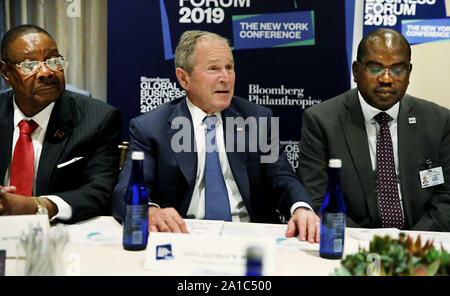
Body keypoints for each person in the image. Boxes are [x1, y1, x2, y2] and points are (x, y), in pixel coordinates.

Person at [112, 30, 320, 243]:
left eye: (229, 68)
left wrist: (301, 208)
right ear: (184, 78)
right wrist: (150, 211)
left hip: (250, 237)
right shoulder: (150, 128)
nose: (225, 78)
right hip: (183, 237)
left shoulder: (258, 118)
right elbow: (127, 190)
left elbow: (281, 177)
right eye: (213, 69)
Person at [297, 28, 450, 231]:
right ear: (355, 71)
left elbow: (446, 197)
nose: (386, 78)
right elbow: (316, 200)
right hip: (353, 246)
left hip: (420, 244)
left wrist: (409, 245)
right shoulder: (322, 121)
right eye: (375, 68)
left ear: (409, 73)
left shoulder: (438, 121)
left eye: (397, 69)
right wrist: (371, 244)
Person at [0, 24, 121, 223]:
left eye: (53, 61)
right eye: (30, 65)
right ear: (6, 73)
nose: (46, 72)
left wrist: (40, 206)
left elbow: (100, 191)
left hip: (58, 232)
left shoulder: (98, 118)